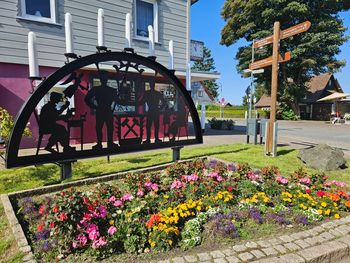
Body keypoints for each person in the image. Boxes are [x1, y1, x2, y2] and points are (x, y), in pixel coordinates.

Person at [84, 71, 118, 149]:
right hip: (104, 110)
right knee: (101, 128)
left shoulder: (97, 89)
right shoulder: (110, 90)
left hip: (101, 110)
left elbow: (86, 99)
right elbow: (86, 99)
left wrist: (94, 107)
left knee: (106, 128)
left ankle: (106, 143)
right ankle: (103, 143)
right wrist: (94, 106)